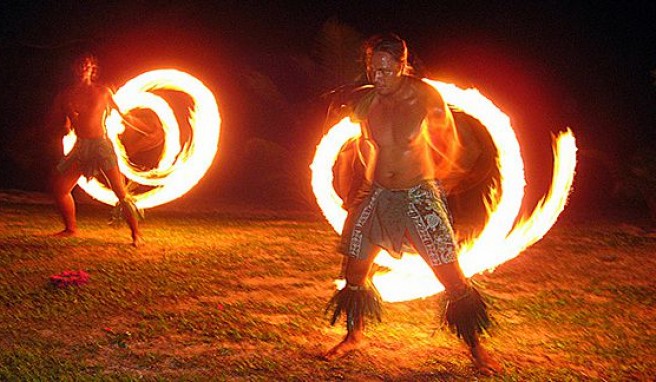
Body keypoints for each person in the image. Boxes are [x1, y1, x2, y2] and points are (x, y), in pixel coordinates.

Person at [323, 34, 501, 375]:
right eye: (373, 69)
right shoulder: (364, 102)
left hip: (418, 195)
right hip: (377, 195)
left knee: (451, 277)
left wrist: (441, 181)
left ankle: (477, 349)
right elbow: (365, 144)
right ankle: (354, 336)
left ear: (403, 66)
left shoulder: (425, 97)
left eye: (387, 70)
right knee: (354, 272)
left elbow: (451, 142)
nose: (380, 77)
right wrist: (362, 184)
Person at [49, 54, 144, 247]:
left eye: (87, 64)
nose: (84, 67)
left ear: (93, 68)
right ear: (75, 68)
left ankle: (136, 234)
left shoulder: (103, 91)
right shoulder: (66, 94)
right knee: (60, 189)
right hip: (81, 148)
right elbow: (66, 121)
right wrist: (67, 125)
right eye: (80, 64)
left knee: (120, 192)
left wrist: (144, 128)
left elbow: (123, 115)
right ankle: (71, 229)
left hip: (101, 146)